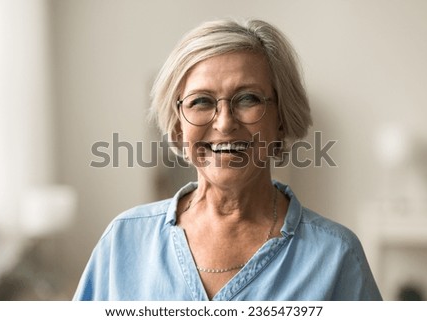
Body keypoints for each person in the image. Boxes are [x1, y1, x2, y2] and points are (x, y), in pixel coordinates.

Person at [73, 18, 382, 301]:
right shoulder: (123, 241)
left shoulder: (336, 256)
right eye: (201, 102)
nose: (224, 123)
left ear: (282, 120)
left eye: (248, 98)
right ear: (178, 127)